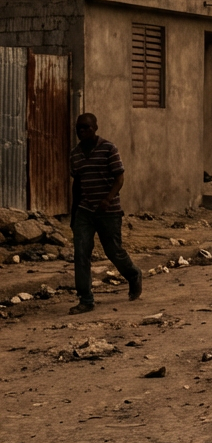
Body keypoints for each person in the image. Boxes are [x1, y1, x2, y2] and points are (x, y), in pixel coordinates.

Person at [68, 113, 141, 315]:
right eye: (78, 128)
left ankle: (133, 274)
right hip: (85, 211)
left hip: (109, 211)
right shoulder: (75, 154)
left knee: (113, 251)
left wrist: (108, 199)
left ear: (95, 128)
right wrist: (74, 215)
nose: (82, 132)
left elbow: (119, 178)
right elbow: (77, 185)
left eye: (86, 128)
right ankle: (86, 299)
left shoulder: (109, 148)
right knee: (81, 253)